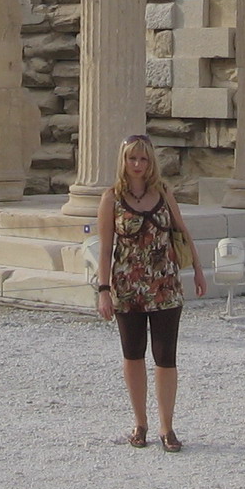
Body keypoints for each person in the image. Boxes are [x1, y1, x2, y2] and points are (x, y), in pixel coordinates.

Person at [95, 133, 206, 452]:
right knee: (133, 355)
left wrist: (198, 269)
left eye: (143, 158)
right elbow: (105, 248)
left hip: (165, 286)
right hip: (128, 287)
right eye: (132, 158)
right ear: (124, 161)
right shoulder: (111, 198)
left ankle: (166, 426)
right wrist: (103, 290)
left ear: (151, 161)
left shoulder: (164, 192)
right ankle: (140, 422)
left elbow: (181, 231)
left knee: (165, 356)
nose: (138, 164)